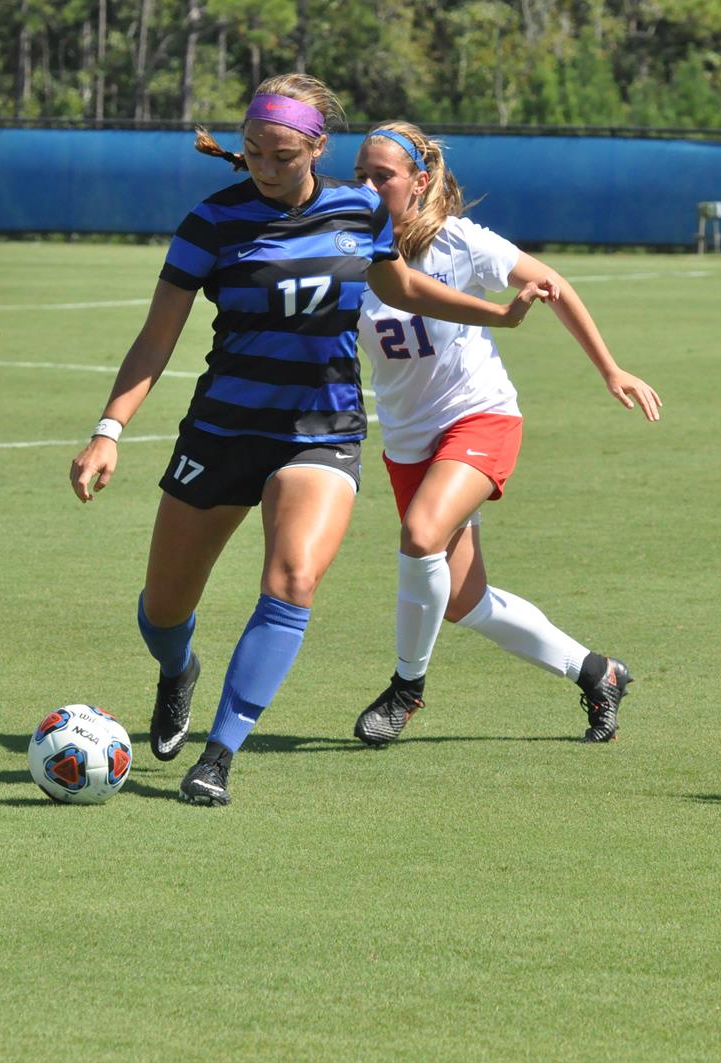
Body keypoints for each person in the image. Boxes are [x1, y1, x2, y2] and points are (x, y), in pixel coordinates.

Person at [67, 74, 551, 806]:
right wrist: (109, 430)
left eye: (283, 155)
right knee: (163, 608)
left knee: (293, 579)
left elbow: (399, 288)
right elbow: (156, 338)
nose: (266, 166)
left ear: (318, 148)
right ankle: (178, 670)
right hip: (223, 429)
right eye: (254, 151)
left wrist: (499, 315)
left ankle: (219, 756)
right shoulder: (212, 222)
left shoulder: (361, 209)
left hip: (322, 431)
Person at [349, 121, 662, 747]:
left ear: (419, 181)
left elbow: (552, 285)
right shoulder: (349, 246)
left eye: (382, 176)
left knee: (420, 535)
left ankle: (406, 688)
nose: (367, 187)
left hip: (479, 416)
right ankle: (597, 672)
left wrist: (610, 368)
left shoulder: (461, 242)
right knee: (462, 600)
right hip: (408, 439)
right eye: (360, 174)